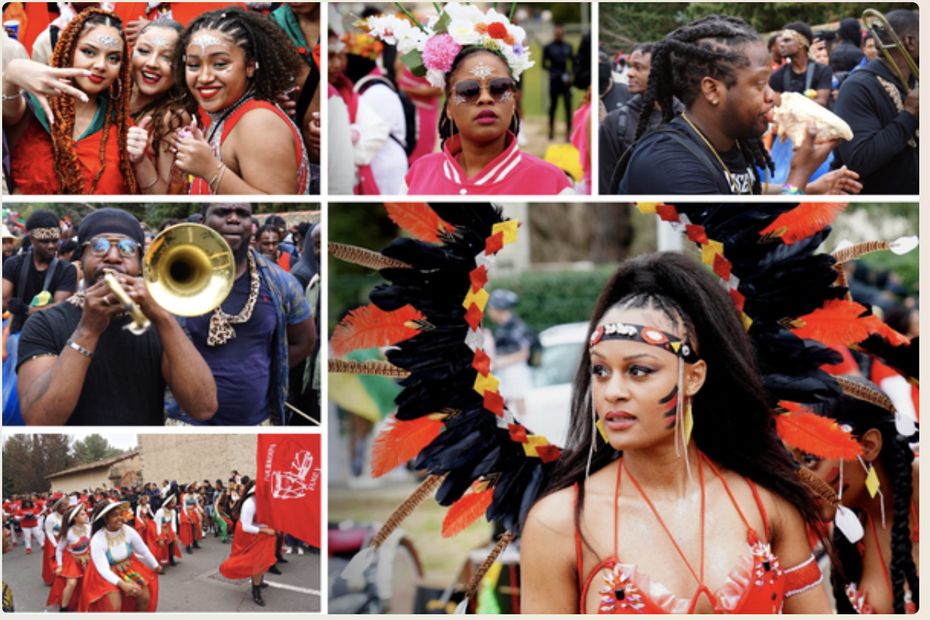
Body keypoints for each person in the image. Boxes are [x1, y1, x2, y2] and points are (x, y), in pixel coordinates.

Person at [519, 252, 833, 614]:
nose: (612, 391)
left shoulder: (766, 504)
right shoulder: (558, 524)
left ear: (694, 377)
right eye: (601, 371)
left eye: (638, 370)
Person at [15, 208, 217, 425]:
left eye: (127, 248)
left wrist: (163, 317)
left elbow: (203, 407)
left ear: (141, 265)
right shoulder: (44, 323)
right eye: (99, 247)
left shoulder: (161, 320)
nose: (112, 256)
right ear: (81, 260)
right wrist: (88, 329)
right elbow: (39, 421)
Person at [616, 15, 861, 195]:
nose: (771, 96)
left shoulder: (731, 142)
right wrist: (799, 176)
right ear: (712, 90)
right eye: (759, 84)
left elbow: (746, 195)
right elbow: (753, 248)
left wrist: (810, 189)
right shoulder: (667, 163)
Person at [368, 3, 573, 195]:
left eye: (499, 87)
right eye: (468, 90)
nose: (485, 98)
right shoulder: (418, 175)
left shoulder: (553, 184)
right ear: (448, 106)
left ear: (514, 100)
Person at [166, 203, 315, 426]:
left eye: (243, 214)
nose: (234, 219)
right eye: (222, 212)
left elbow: (305, 341)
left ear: (252, 226)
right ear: (202, 224)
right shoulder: (172, 278)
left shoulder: (281, 283)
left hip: (259, 422)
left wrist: (263, 370)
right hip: (187, 423)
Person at [792, 381, 918, 614]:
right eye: (792, 464)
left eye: (810, 460)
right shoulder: (847, 536)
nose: (800, 480)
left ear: (868, 446)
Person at [165, 7, 310, 194]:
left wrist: (210, 169)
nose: (204, 77)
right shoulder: (232, 112)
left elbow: (276, 201)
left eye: (220, 64)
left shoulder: (258, 122)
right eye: (193, 65)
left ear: (250, 65)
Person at [3, 8, 138, 194]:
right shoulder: (35, 106)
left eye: (113, 58)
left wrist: (142, 159)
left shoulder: (123, 127)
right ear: (68, 50)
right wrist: (11, 73)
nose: (100, 65)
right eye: (89, 52)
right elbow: (9, 112)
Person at [832, 9, 918, 195]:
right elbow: (859, 160)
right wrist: (909, 115)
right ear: (910, 42)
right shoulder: (857, 87)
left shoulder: (916, 80)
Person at [598, 42, 683, 193]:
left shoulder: (687, 118)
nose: (629, 73)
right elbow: (605, 185)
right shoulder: (615, 123)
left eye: (638, 67)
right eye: (630, 66)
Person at [125, 18, 193, 194]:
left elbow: (163, 194)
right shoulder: (110, 95)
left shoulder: (172, 118)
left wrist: (140, 160)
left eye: (167, 57)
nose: (152, 63)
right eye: (144, 51)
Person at [2, 209, 77, 335]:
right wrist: (9, 305)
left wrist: (26, 310)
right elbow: (4, 300)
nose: (51, 246)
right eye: (45, 241)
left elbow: (60, 307)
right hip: (16, 330)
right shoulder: (13, 264)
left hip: (49, 333)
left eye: (54, 240)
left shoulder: (67, 269)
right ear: (31, 239)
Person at [79, 499, 160, 612]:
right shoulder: (97, 539)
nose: (120, 518)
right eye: (114, 515)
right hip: (106, 573)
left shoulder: (128, 531)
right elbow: (103, 570)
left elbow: (143, 550)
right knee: (114, 607)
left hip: (127, 568)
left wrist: (155, 564)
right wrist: (123, 584)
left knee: (144, 598)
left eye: (120, 514)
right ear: (105, 519)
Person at [219, 481, 276, 607]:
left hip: (258, 533)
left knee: (262, 559)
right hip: (247, 536)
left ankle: (259, 581)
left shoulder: (262, 501)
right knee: (255, 562)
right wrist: (265, 529)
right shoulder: (250, 503)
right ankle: (256, 591)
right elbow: (246, 527)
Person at [486, 289, 533, 421]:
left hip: (513, 370)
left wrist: (499, 363)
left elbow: (524, 353)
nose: (489, 312)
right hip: (505, 371)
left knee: (517, 400)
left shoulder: (514, 326)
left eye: (491, 308)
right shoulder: (503, 327)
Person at [771, 22, 833, 107]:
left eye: (787, 40)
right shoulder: (777, 76)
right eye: (781, 41)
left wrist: (789, 102)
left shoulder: (823, 71)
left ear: (801, 43)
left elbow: (822, 103)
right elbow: (777, 105)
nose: (781, 45)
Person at [47, 503, 91, 612]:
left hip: (87, 558)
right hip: (73, 560)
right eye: (82, 514)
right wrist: (59, 566)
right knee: (71, 583)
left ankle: (87, 604)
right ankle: (63, 608)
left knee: (90, 582)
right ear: (75, 518)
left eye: (85, 512)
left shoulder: (90, 528)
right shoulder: (68, 532)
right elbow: (59, 549)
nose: (86, 515)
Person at [543, 24, 573, 142]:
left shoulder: (568, 47)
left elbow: (573, 62)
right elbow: (544, 64)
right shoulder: (549, 47)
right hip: (554, 80)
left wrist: (569, 75)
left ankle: (568, 133)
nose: (559, 35)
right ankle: (551, 131)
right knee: (553, 106)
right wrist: (553, 72)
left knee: (568, 106)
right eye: (557, 33)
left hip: (565, 82)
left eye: (561, 33)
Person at [41, 497, 69, 587]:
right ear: (57, 507)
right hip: (53, 540)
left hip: (65, 539)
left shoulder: (67, 516)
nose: (65, 508)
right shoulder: (50, 517)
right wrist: (55, 544)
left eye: (66, 506)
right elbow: (48, 531)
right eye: (62, 506)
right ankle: (53, 578)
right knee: (53, 559)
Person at [152, 493, 180, 568]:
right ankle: (160, 563)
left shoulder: (173, 512)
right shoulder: (160, 512)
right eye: (172, 503)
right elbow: (157, 524)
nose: (174, 504)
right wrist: (159, 537)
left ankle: (171, 558)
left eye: (174, 503)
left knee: (172, 544)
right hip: (160, 529)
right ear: (167, 504)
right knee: (162, 547)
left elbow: (173, 523)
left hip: (169, 529)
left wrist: (175, 533)